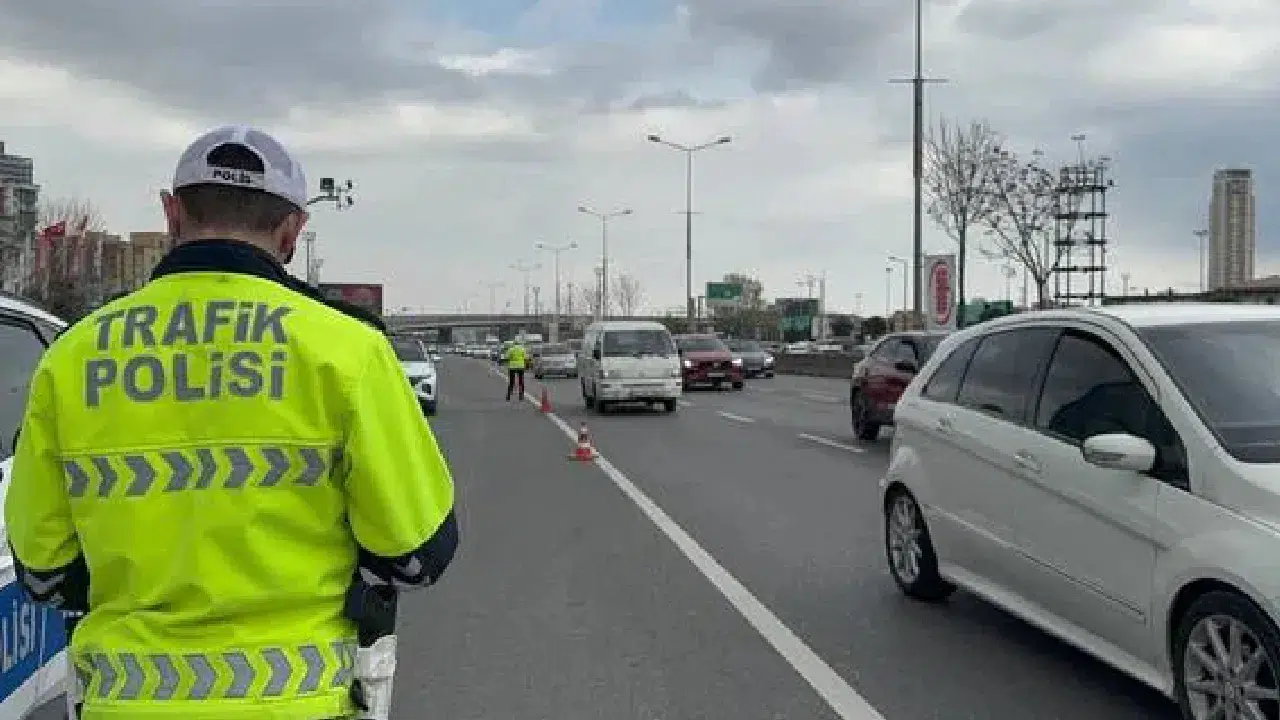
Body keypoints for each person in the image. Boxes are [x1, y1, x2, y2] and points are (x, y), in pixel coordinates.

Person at [4, 125, 458, 720]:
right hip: (299, 703)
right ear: (293, 230)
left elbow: (42, 569)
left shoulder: (73, 356)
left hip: (124, 703)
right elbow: (418, 550)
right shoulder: (347, 350)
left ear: (171, 214)